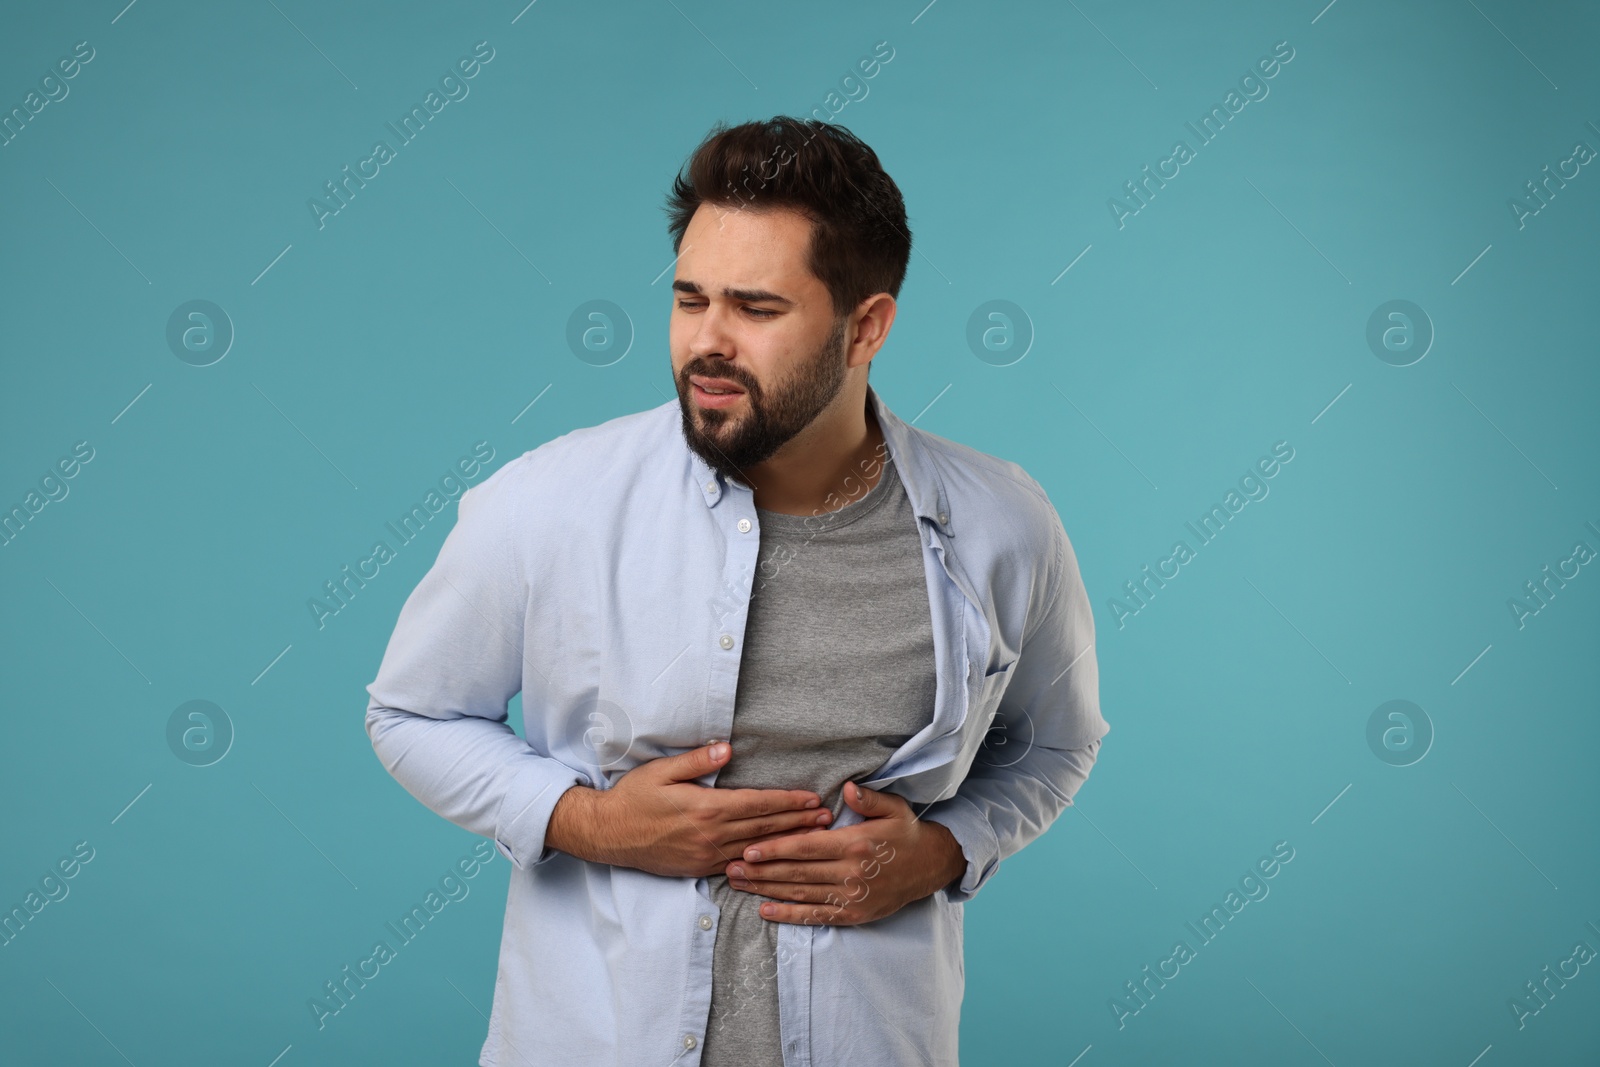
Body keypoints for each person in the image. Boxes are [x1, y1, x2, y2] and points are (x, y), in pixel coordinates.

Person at [365, 115, 1108, 1067]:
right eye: (689, 299)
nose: (706, 342)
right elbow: (410, 713)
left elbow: (1059, 741)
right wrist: (589, 821)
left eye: (755, 308)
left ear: (866, 327)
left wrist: (948, 849)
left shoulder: (1003, 524)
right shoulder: (546, 503)